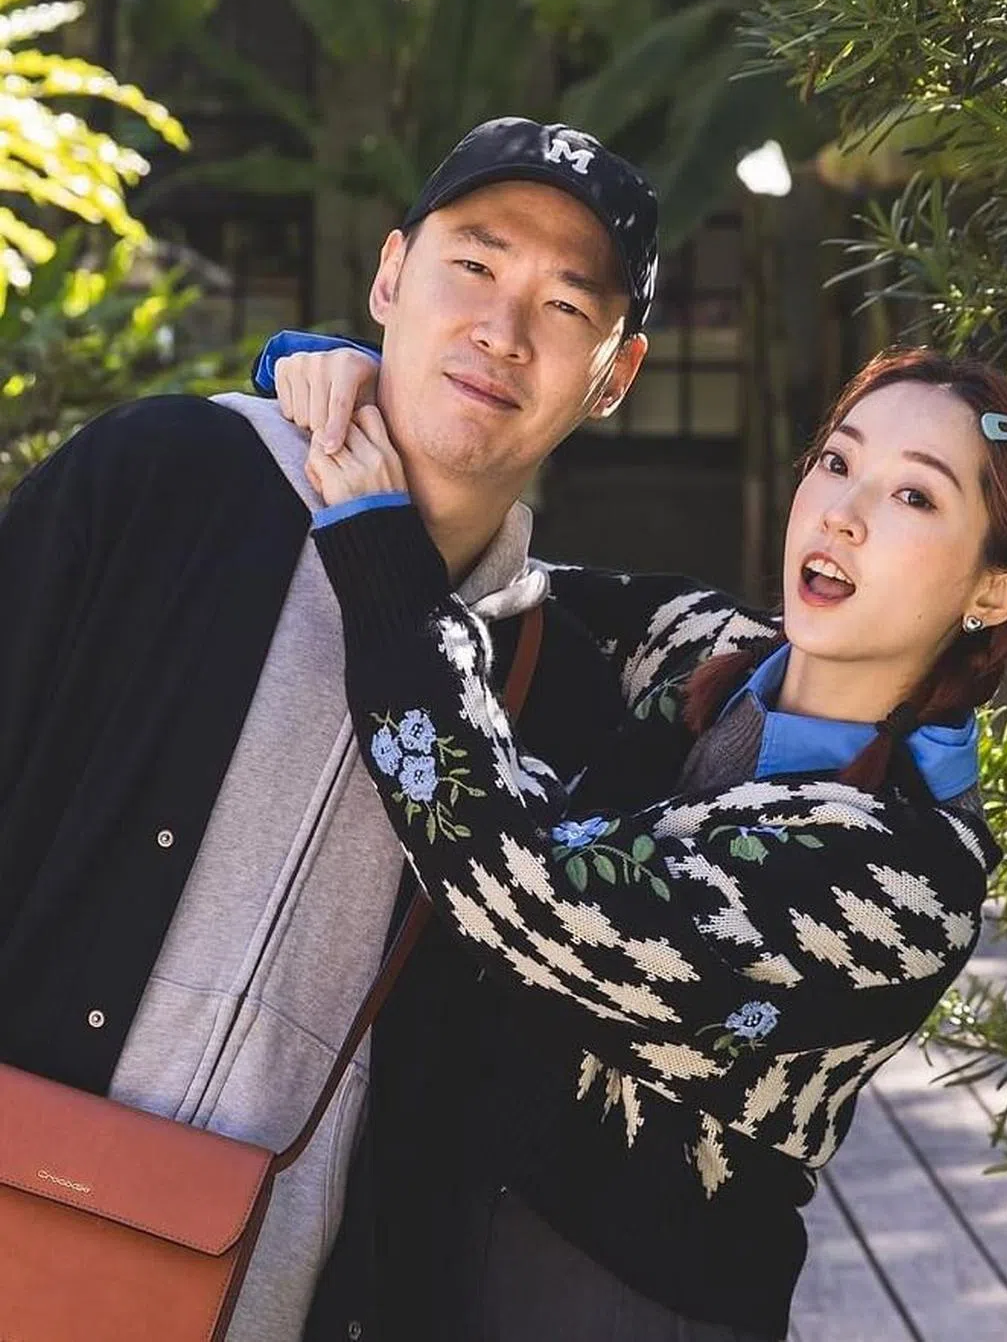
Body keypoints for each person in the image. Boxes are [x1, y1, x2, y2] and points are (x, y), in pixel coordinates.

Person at [260, 338, 1007, 1339]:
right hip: (424, 1236)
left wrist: (384, 559)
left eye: (915, 495)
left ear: (995, 591)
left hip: (619, 1302)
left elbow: (529, 898)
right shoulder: (711, 650)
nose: (843, 512)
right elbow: (491, 576)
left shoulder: (907, 878)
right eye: (837, 461)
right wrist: (357, 384)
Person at [0, 117, 658, 1342]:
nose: (502, 331)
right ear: (390, 277)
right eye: (474, 265)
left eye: (567, 306)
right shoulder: (165, 481)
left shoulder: (552, 685)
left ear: (614, 377)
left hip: (272, 1297)